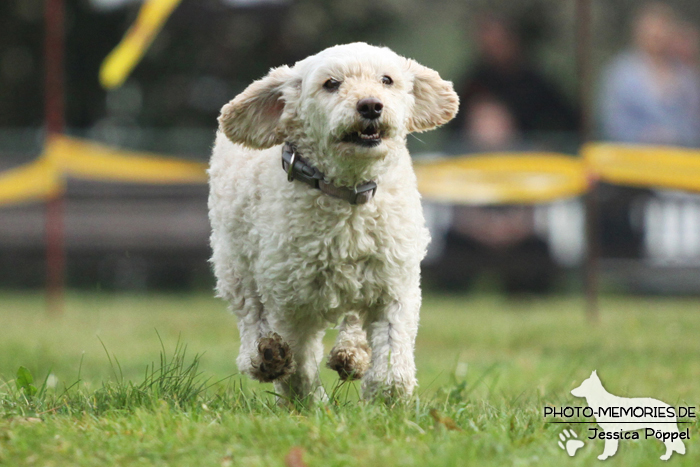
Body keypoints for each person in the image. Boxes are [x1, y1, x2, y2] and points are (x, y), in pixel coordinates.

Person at [600, 3, 700, 147]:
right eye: (651, 32)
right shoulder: (620, 74)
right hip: (633, 159)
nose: (656, 37)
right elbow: (613, 123)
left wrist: (674, 136)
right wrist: (647, 136)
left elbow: (694, 122)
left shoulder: (685, 75)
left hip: (678, 160)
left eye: (661, 30)